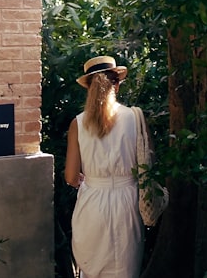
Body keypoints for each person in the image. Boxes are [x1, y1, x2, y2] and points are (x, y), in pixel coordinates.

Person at [65, 55, 144, 278]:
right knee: (126, 269)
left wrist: (89, 180)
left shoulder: (78, 123)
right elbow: (145, 166)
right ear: (116, 84)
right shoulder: (134, 117)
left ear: (88, 89)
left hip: (92, 203)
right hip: (127, 201)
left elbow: (71, 177)